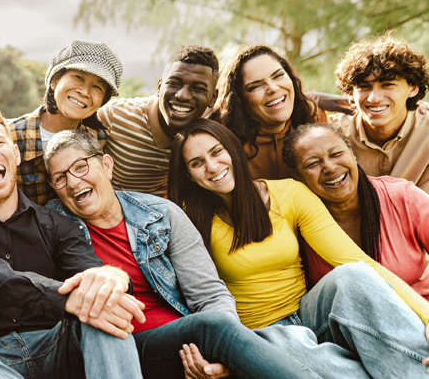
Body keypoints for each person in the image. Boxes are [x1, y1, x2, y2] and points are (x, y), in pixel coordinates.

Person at [43, 128, 319, 378]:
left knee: (217, 327)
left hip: (184, 343)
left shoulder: (161, 214)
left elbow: (210, 294)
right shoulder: (52, 226)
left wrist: (218, 358)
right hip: (116, 346)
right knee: (214, 328)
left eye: (80, 167)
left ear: (107, 165)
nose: (73, 182)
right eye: (60, 178)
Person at [168, 118, 429, 377]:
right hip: (261, 334)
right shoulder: (190, 221)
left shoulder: (290, 194)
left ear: (232, 149)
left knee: (354, 274)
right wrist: (230, 352)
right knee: (296, 348)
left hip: (310, 313)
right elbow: (201, 298)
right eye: (197, 163)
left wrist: (427, 316)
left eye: (217, 152)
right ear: (189, 176)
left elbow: (355, 260)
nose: (213, 167)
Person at [0, 103, 145, 378]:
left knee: (99, 310)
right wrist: (66, 299)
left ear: (16, 154)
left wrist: (110, 278)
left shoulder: (57, 224)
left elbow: (91, 272)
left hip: (57, 347)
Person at [284, 123, 429, 298]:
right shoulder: (294, 224)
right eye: (313, 163)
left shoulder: (402, 197)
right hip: (344, 322)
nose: (329, 167)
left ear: (353, 154)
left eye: (336, 154)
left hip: (420, 313)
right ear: (298, 176)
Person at [95, 45, 218, 197]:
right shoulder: (115, 116)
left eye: (198, 88)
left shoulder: (211, 137)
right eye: (174, 83)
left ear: (213, 98)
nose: (183, 95)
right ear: (159, 87)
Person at [9, 40, 122, 205]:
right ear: (54, 81)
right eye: (78, 77)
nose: (84, 91)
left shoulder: (98, 138)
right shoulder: (11, 136)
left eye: (97, 87)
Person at [328, 34, 429, 193]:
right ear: (350, 93)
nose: (374, 98)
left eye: (388, 85)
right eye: (364, 86)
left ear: (413, 88)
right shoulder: (333, 135)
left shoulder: (426, 130)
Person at [212, 45, 327, 180]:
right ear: (239, 99)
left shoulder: (314, 116)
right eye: (255, 86)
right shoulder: (221, 141)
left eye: (278, 75)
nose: (273, 88)